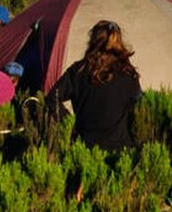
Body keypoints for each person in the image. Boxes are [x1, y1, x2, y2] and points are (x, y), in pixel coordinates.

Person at [47, 20, 143, 152]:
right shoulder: (128, 73)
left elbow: (52, 98)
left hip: (85, 149)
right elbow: (139, 108)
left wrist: (69, 124)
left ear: (93, 41)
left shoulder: (78, 71)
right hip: (121, 152)